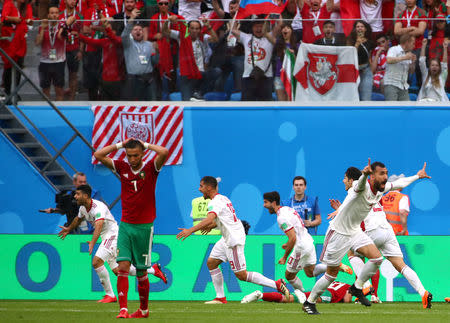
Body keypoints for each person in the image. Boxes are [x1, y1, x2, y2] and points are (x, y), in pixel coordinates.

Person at [302, 159, 431, 315]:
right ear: (372, 176)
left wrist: (417, 176)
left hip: (355, 231)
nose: (385, 177)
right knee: (331, 274)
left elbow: (399, 184)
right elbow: (361, 184)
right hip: (338, 233)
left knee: (377, 258)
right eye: (381, 174)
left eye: (386, 174)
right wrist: (364, 174)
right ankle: (310, 302)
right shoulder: (359, 186)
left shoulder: (381, 189)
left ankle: (357, 287)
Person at [177, 176, 290, 304]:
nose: (199, 189)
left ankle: (276, 284)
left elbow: (210, 219)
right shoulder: (223, 198)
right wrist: (213, 225)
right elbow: (225, 219)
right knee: (211, 262)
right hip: (226, 238)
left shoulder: (215, 202)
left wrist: (190, 230)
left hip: (233, 239)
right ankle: (220, 297)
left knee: (242, 275)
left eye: (201, 186)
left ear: (208, 187)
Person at [332, 167, 432, 307]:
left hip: (371, 230)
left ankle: (365, 285)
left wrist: (338, 211)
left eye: (344, 178)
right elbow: (400, 184)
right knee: (400, 265)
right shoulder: (377, 188)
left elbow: (352, 206)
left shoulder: (355, 187)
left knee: (351, 252)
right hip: (387, 230)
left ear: (351, 179)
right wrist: (417, 176)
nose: (343, 181)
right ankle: (423, 293)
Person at [93, 138, 169, 318]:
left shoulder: (151, 168)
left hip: (144, 227)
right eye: (129, 156)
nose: (132, 159)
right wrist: (121, 144)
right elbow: (98, 154)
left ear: (142, 154)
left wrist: (146, 144)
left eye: (136, 155)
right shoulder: (122, 167)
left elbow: (164, 152)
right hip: (126, 225)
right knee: (123, 266)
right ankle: (123, 309)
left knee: (141, 271)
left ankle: (144, 310)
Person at [57, 184, 167, 303]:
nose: (75, 196)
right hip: (106, 237)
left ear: (86, 195)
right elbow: (78, 219)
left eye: (78, 194)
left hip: (113, 235)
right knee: (119, 271)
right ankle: (153, 270)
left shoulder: (98, 207)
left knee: (96, 262)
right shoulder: (83, 208)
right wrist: (69, 229)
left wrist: (93, 242)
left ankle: (110, 295)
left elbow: (99, 225)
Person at [263, 191, 352, 292]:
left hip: (301, 247)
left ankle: (302, 296)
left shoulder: (281, 218)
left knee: (289, 275)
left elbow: (293, 238)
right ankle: (333, 265)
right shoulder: (287, 209)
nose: (264, 205)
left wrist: (284, 257)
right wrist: (288, 244)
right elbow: (296, 230)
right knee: (310, 272)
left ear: (273, 203)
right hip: (308, 241)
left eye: (266, 202)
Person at [163, 15, 220, 101]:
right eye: (192, 28)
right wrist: (168, 21)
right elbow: (165, 32)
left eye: (197, 28)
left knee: (217, 71)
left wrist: (208, 27)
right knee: (186, 101)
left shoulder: (202, 37)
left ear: (200, 30)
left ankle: (199, 92)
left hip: (200, 73)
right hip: (186, 75)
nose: (194, 31)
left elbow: (215, 40)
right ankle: (195, 94)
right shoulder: (181, 36)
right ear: (188, 29)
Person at [231, 15, 279, 101]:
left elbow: (279, 25)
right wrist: (238, 15)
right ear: (252, 28)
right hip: (248, 76)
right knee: (247, 106)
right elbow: (233, 30)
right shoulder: (246, 37)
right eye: (256, 26)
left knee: (266, 106)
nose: (258, 29)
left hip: (266, 77)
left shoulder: (270, 37)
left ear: (265, 27)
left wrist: (275, 14)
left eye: (261, 26)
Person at [76, 17, 125, 100]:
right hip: (105, 79)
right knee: (105, 102)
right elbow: (91, 41)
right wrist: (78, 35)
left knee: (116, 102)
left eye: (108, 30)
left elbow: (114, 39)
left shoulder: (119, 41)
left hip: (117, 80)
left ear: (114, 31)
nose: (105, 32)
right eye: (106, 30)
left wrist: (107, 28)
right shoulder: (105, 41)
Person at [122, 8, 159, 100]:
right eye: (135, 30)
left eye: (140, 30)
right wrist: (131, 20)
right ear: (131, 32)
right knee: (135, 106)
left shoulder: (150, 45)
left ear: (143, 32)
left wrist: (157, 51)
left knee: (152, 104)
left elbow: (155, 62)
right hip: (133, 80)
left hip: (149, 79)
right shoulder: (128, 44)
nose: (138, 31)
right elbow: (124, 35)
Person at [241, 281, 373, 304]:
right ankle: (302, 298)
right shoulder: (350, 287)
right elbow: (346, 300)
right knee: (303, 300)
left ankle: (260, 295)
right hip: (328, 295)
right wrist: (362, 296)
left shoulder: (340, 283)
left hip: (321, 289)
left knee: (288, 299)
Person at [35, 5, 66, 101]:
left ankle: (59, 112)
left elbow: (62, 38)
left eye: (56, 13)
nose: (54, 15)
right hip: (45, 62)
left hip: (59, 61)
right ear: (48, 15)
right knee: (45, 90)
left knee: (59, 90)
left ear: (59, 15)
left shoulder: (62, 26)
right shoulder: (42, 27)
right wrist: (43, 29)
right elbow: (37, 43)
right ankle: (46, 113)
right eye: (52, 13)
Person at [394, 0, 427, 87]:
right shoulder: (401, 14)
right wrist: (411, 28)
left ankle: (421, 93)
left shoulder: (421, 12)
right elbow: (396, 31)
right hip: (404, 48)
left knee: (419, 72)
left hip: (418, 47)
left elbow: (420, 31)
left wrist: (404, 32)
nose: (409, 0)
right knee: (404, 73)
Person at [58, 0, 84, 100]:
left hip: (74, 48)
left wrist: (80, 50)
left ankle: (71, 99)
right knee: (59, 75)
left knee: (73, 75)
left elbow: (82, 34)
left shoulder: (79, 16)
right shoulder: (59, 15)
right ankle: (59, 98)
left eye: (75, 0)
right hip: (61, 48)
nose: (73, 1)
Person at [383, 33, 416, 101]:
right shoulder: (394, 49)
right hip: (391, 84)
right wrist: (404, 58)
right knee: (392, 109)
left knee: (406, 109)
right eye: (413, 43)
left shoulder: (408, 54)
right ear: (407, 42)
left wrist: (413, 62)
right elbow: (389, 60)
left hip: (403, 86)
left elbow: (411, 72)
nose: (414, 46)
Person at [347, 20, 374, 101]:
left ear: (365, 29)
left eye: (362, 27)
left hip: (366, 71)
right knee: (352, 98)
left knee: (366, 97)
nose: (360, 28)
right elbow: (349, 55)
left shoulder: (370, 42)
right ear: (355, 29)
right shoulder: (350, 41)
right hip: (353, 72)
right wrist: (357, 45)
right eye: (358, 27)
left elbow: (370, 58)